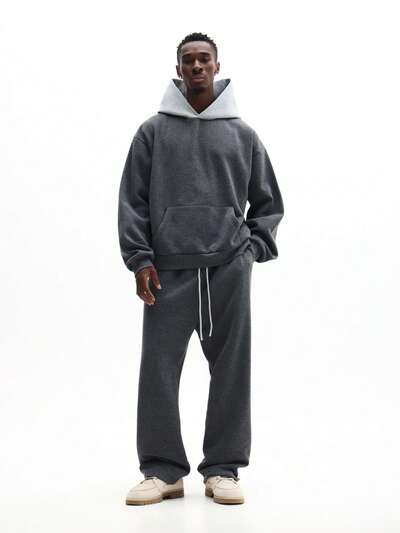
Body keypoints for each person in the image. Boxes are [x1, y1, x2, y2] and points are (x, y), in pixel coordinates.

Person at [118, 32, 284, 506]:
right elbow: (133, 201)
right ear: (178, 69)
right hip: (168, 271)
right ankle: (162, 471)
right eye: (188, 60)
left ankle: (223, 469)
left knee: (232, 369)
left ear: (216, 66)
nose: (196, 66)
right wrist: (140, 259)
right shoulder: (152, 132)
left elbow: (268, 203)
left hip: (227, 270)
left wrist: (250, 252)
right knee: (158, 371)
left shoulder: (242, 134)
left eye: (203, 59)